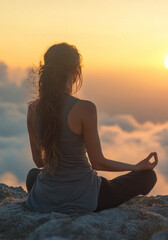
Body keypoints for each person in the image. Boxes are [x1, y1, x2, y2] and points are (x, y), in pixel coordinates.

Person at [24, 42, 158, 214]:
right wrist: (135, 167)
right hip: (84, 196)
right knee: (148, 177)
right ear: (75, 72)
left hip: (44, 198)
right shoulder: (84, 108)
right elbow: (98, 162)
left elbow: (39, 162)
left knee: (33, 175)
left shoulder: (32, 109)